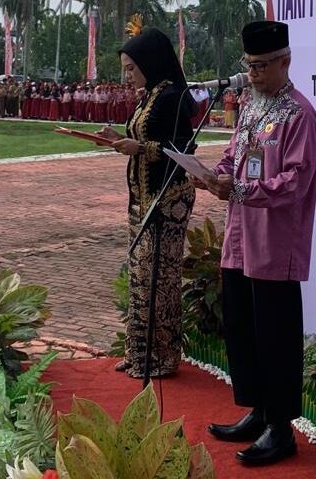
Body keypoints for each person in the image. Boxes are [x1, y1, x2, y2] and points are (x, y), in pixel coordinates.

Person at [194, 21, 316, 467]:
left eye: (263, 65)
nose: (254, 73)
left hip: (274, 243)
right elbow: (236, 153)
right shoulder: (250, 105)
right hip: (239, 237)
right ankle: (258, 411)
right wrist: (214, 172)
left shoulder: (299, 116)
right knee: (243, 329)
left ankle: (281, 428)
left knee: (275, 336)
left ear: (286, 61)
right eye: (249, 65)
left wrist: (243, 190)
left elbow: (295, 181)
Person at [95, 27, 196, 379]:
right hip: (141, 197)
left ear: (150, 63)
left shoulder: (172, 98)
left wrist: (139, 148)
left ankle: (162, 357)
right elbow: (141, 138)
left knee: (160, 280)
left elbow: (183, 149)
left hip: (168, 199)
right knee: (139, 276)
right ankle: (139, 352)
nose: (127, 75)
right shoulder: (148, 95)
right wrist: (117, 140)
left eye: (131, 68)